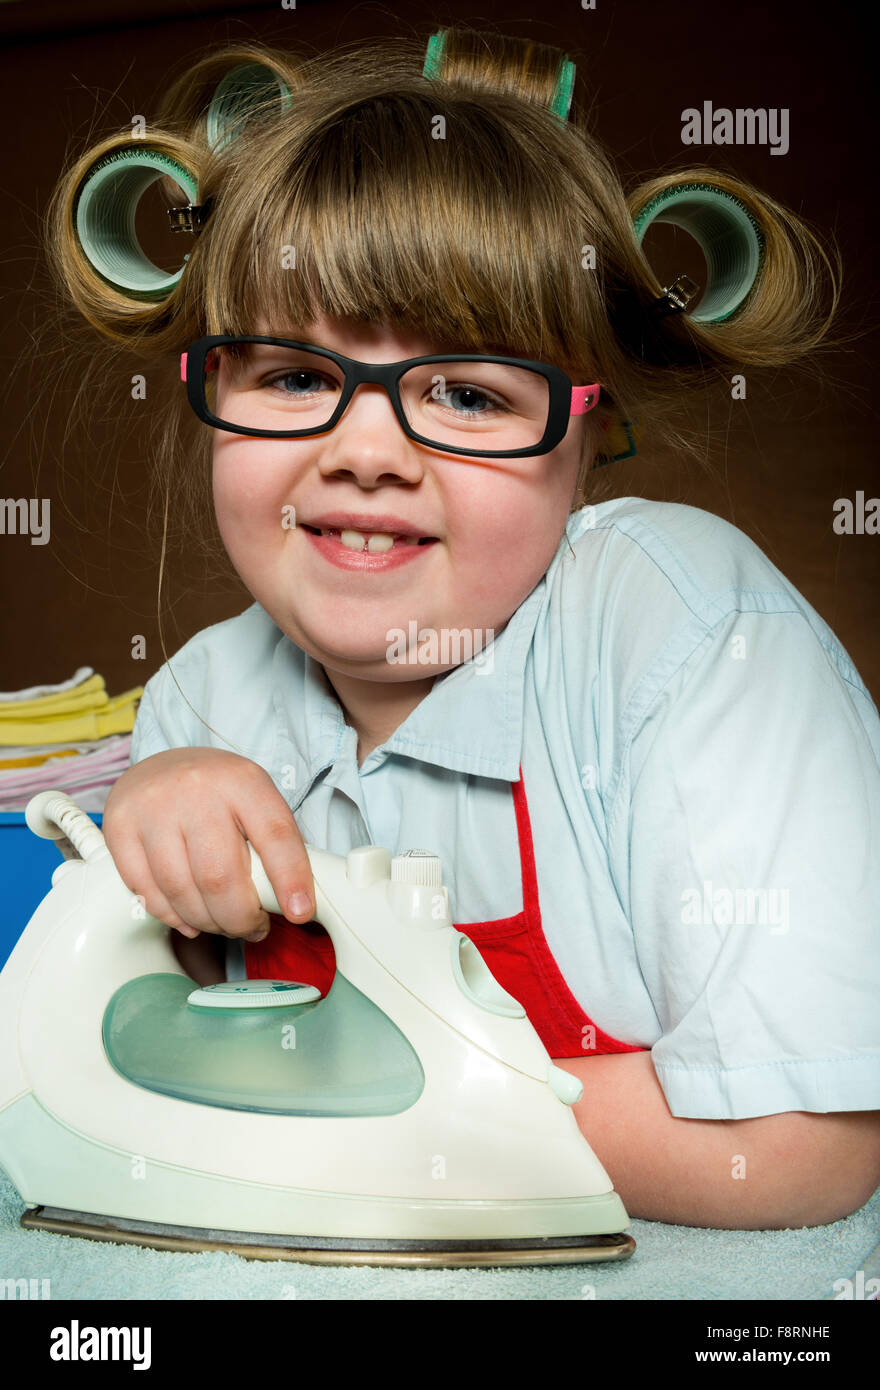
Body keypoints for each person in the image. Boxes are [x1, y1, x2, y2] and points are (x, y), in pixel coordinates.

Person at [50, 26, 880, 1229]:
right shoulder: (201, 704)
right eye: (290, 374)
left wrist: (356, 1108)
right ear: (209, 394)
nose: (365, 451)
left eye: (470, 393)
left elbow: (797, 1149)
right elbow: (131, 1108)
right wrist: (150, 875)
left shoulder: (689, 634)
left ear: (590, 438)